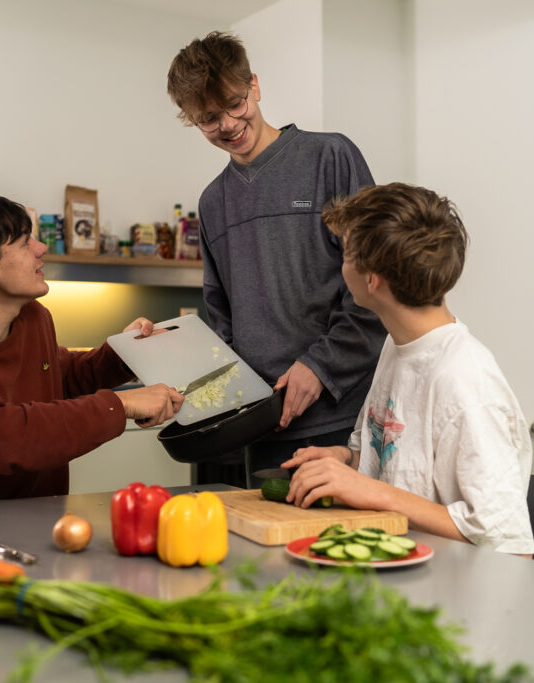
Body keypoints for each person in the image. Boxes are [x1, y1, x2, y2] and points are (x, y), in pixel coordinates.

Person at [167, 31, 385, 487]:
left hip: (344, 417)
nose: (227, 124)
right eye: (208, 118)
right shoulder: (212, 203)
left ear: (256, 86)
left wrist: (320, 367)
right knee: (270, 555)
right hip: (263, 426)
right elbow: (222, 320)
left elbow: (376, 282)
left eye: (235, 104)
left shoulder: (331, 157)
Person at [283, 183, 534, 555]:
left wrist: (369, 491)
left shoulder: (466, 380)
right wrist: (346, 462)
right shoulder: (396, 345)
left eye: (346, 253)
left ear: (372, 280)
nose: (341, 265)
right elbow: (398, 460)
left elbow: (508, 542)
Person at [0, 195, 183, 506]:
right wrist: (119, 404)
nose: (41, 249)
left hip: (42, 522)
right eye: (23, 241)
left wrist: (125, 353)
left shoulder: (33, 318)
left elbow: (63, 379)